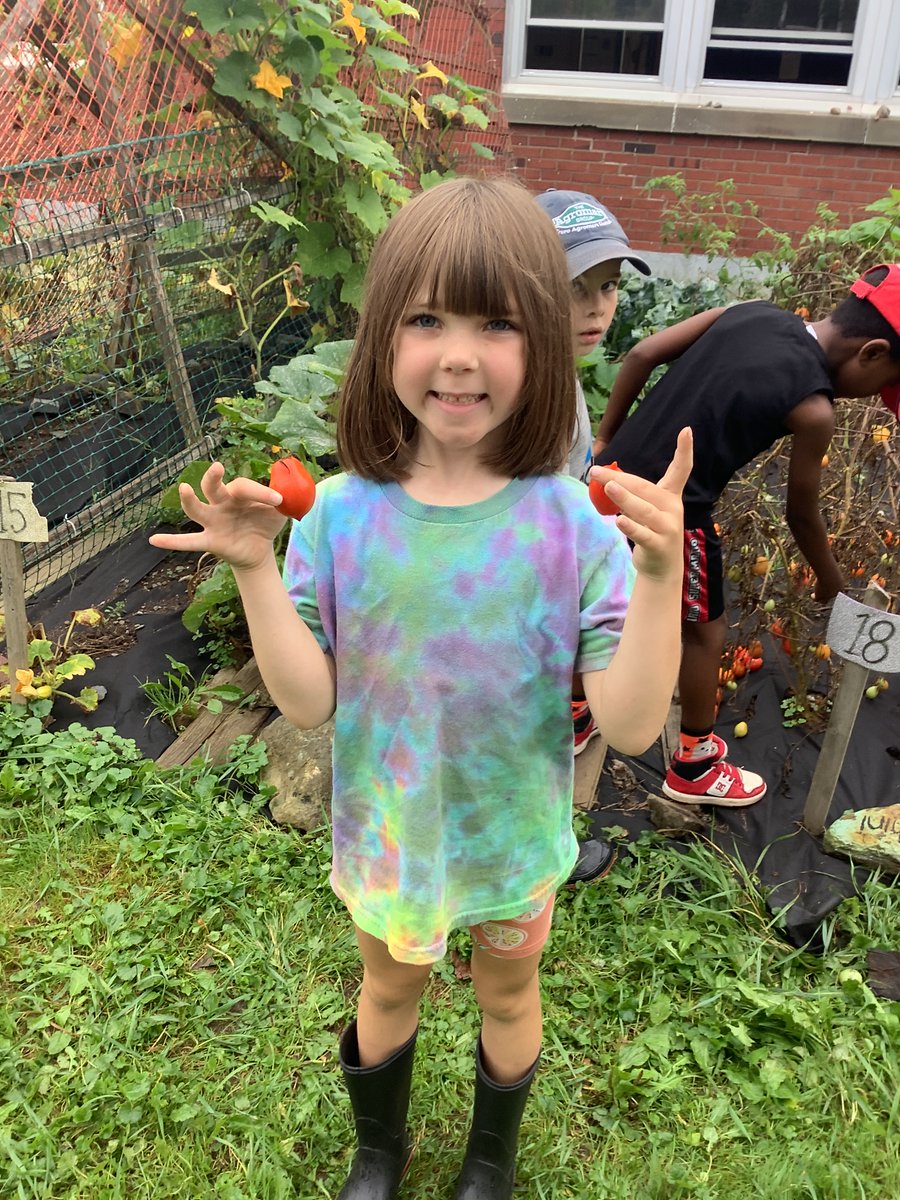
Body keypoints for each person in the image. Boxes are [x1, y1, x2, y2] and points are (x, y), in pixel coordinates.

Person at [151, 177, 692, 1200]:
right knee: (389, 981)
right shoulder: (344, 518)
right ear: (382, 340)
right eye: (426, 318)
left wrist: (659, 580)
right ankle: (378, 1150)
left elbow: (623, 722)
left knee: (508, 988)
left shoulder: (570, 526)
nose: (457, 353)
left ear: (544, 338)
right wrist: (258, 570)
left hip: (514, 836)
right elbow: (310, 703)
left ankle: (490, 1162)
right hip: (390, 832)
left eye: (496, 322)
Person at [593, 262, 900, 806]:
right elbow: (801, 511)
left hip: (603, 486)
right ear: (872, 352)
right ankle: (694, 764)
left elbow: (642, 354)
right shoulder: (814, 409)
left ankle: (575, 713)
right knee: (703, 631)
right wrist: (831, 582)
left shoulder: (750, 312)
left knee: (593, 597)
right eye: (885, 385)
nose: (876, 397)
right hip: (672, 511)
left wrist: (607, 438)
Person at [535, 188, 653, 887]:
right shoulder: (531, 389)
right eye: (573, 287)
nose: (597, 305)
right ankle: (544, 847)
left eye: (607, 285)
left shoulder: (562, 378)